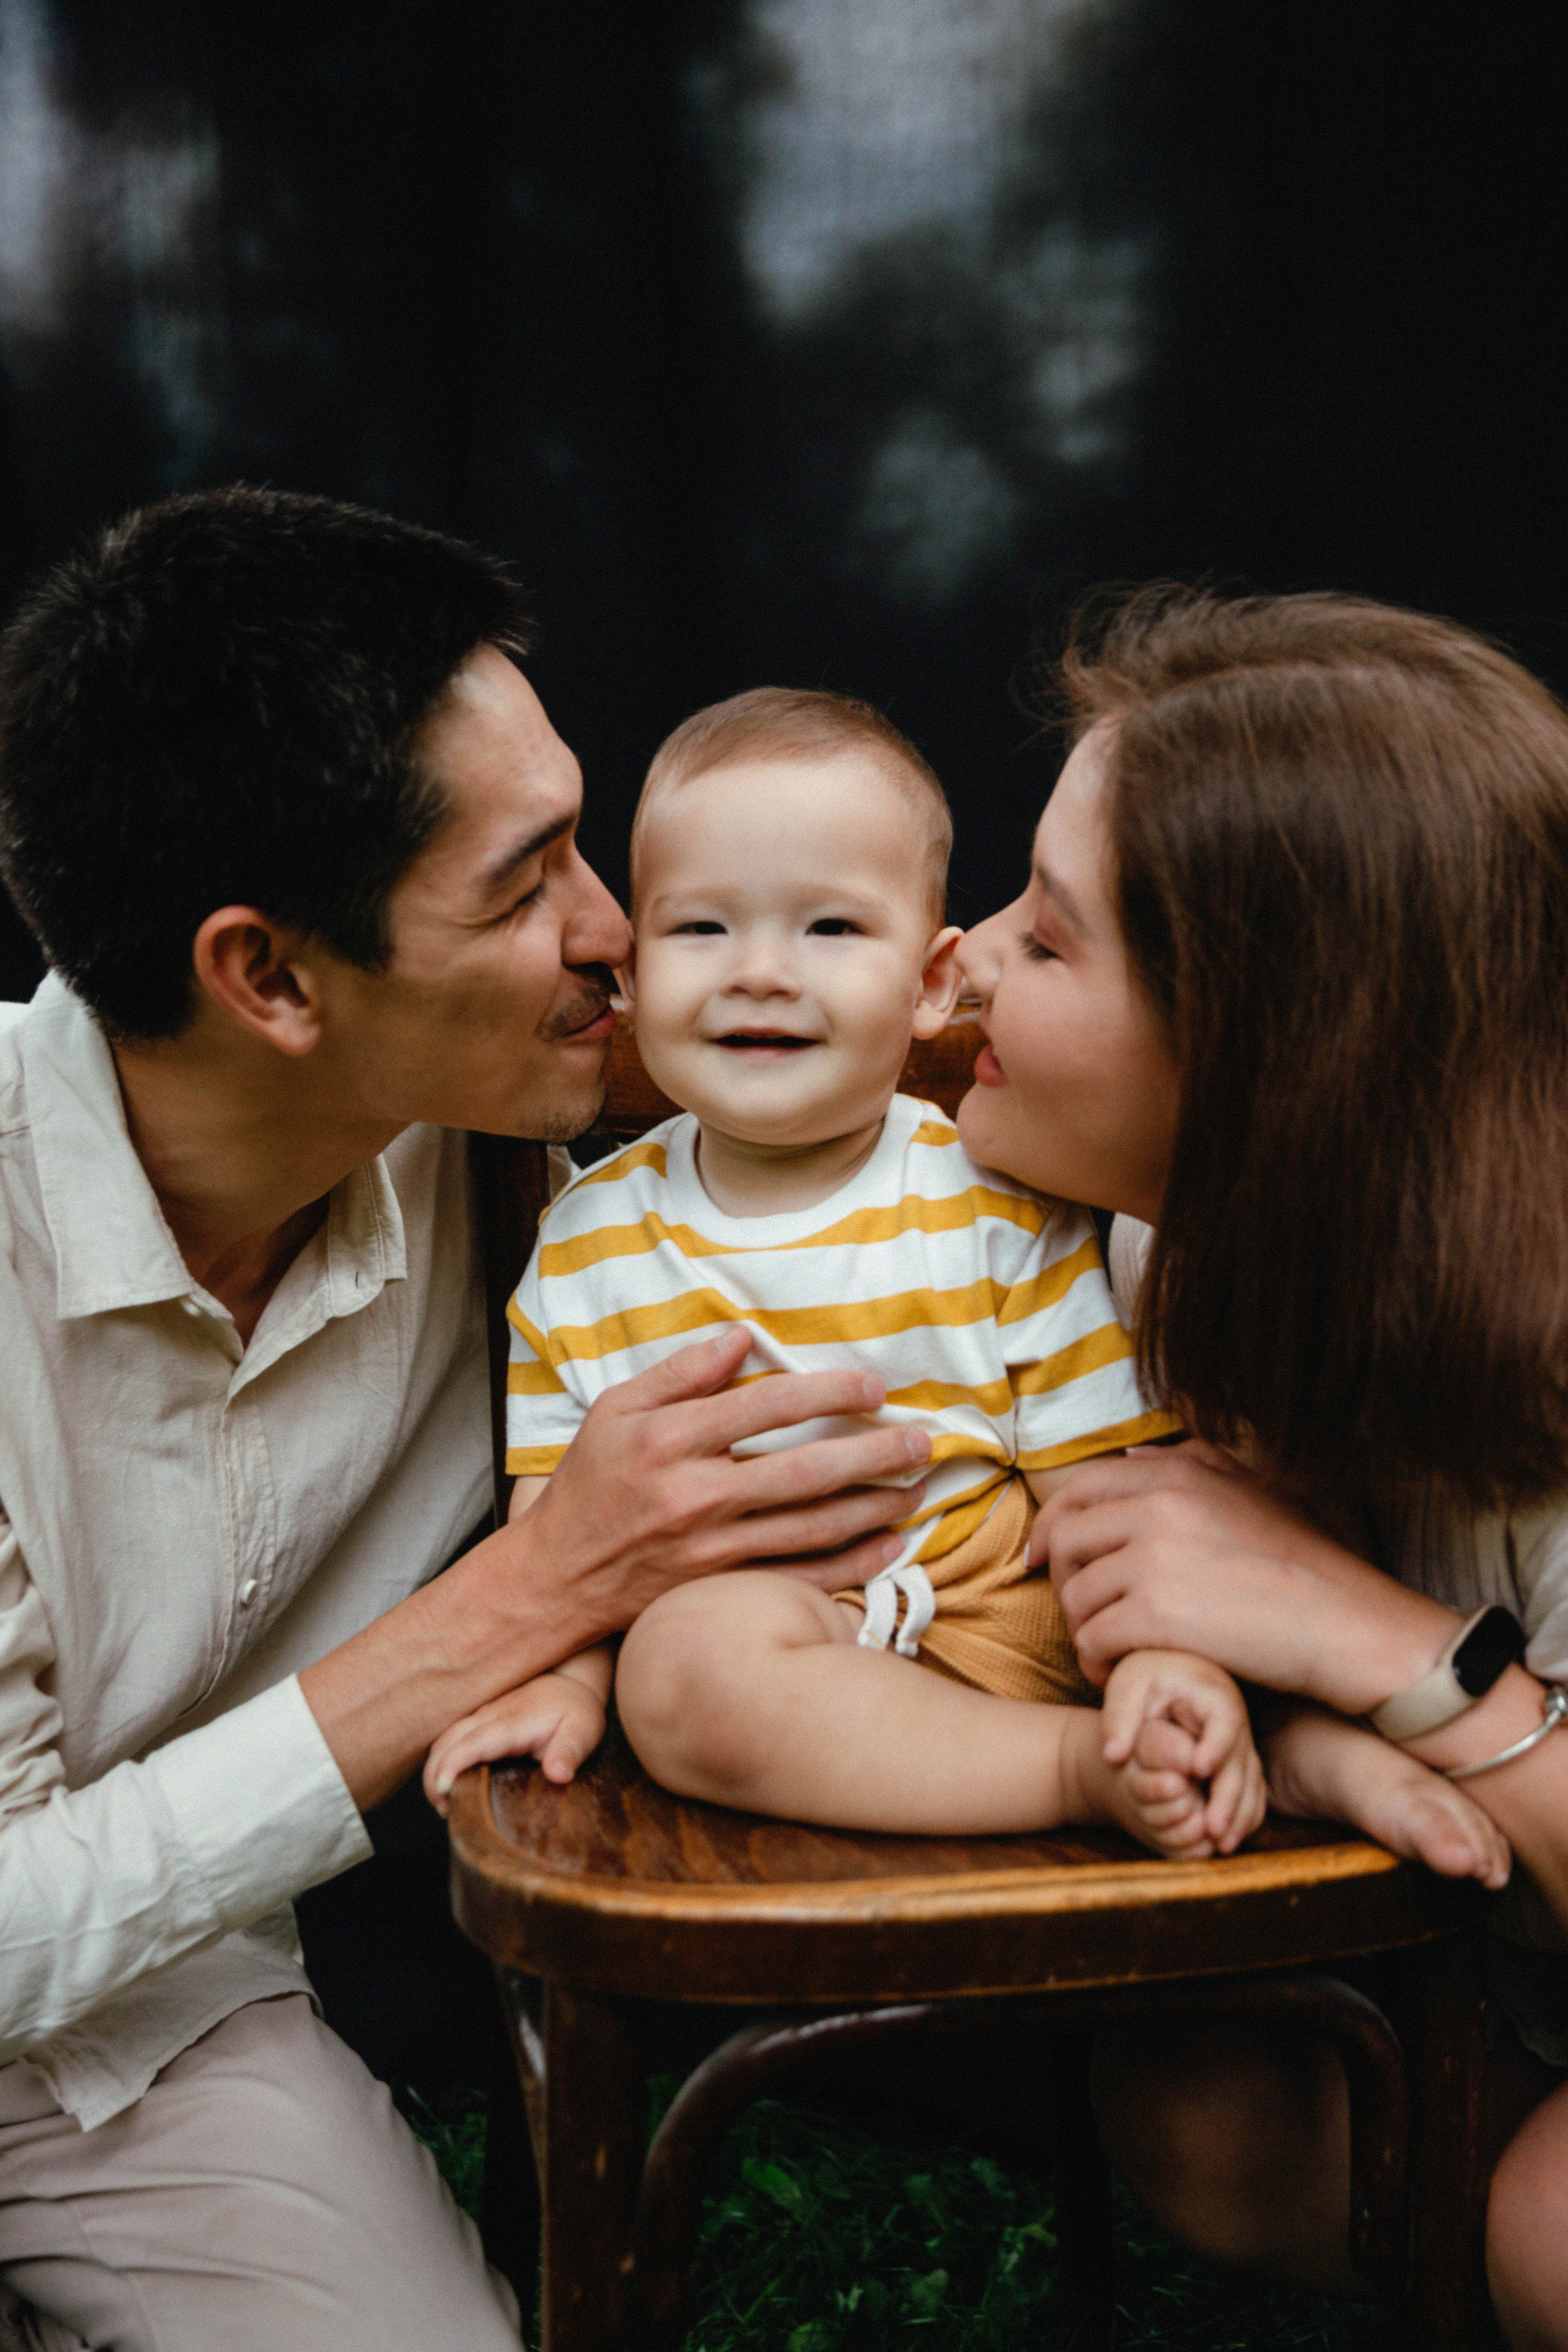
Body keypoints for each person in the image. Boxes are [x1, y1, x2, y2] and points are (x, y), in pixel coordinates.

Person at [0, 491, 932, 2352]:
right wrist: (525, 1601)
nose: (616, 935)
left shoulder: (515, 1148)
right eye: (524, 888)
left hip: (146, 2024)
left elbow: (832, 1091)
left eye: (583, 842)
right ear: (268, 977)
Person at [953, 585, 1568, 2348]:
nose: (965, 953)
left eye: (1047, 942)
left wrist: (1377, 1640)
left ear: (1273, 1071)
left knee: (1552, 2222)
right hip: (1507, 1996)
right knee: (1220, 2114)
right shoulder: (1169, 1244)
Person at [435, 687, 1291, 1852]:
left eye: (830, 929)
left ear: (934, 982)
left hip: (1004, 1599)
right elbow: (562, 1533)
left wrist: (1161, 1664)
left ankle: (1147, 1749)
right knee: (680, 1670)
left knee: (1206, 1625)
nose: (761, 973)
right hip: (771, 1647)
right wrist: (568, 1684)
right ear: (632, 966)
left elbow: (1103, 1480)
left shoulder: (991, 1198)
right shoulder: (587, 1241)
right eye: (702, 930)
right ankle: (1071, 1776)